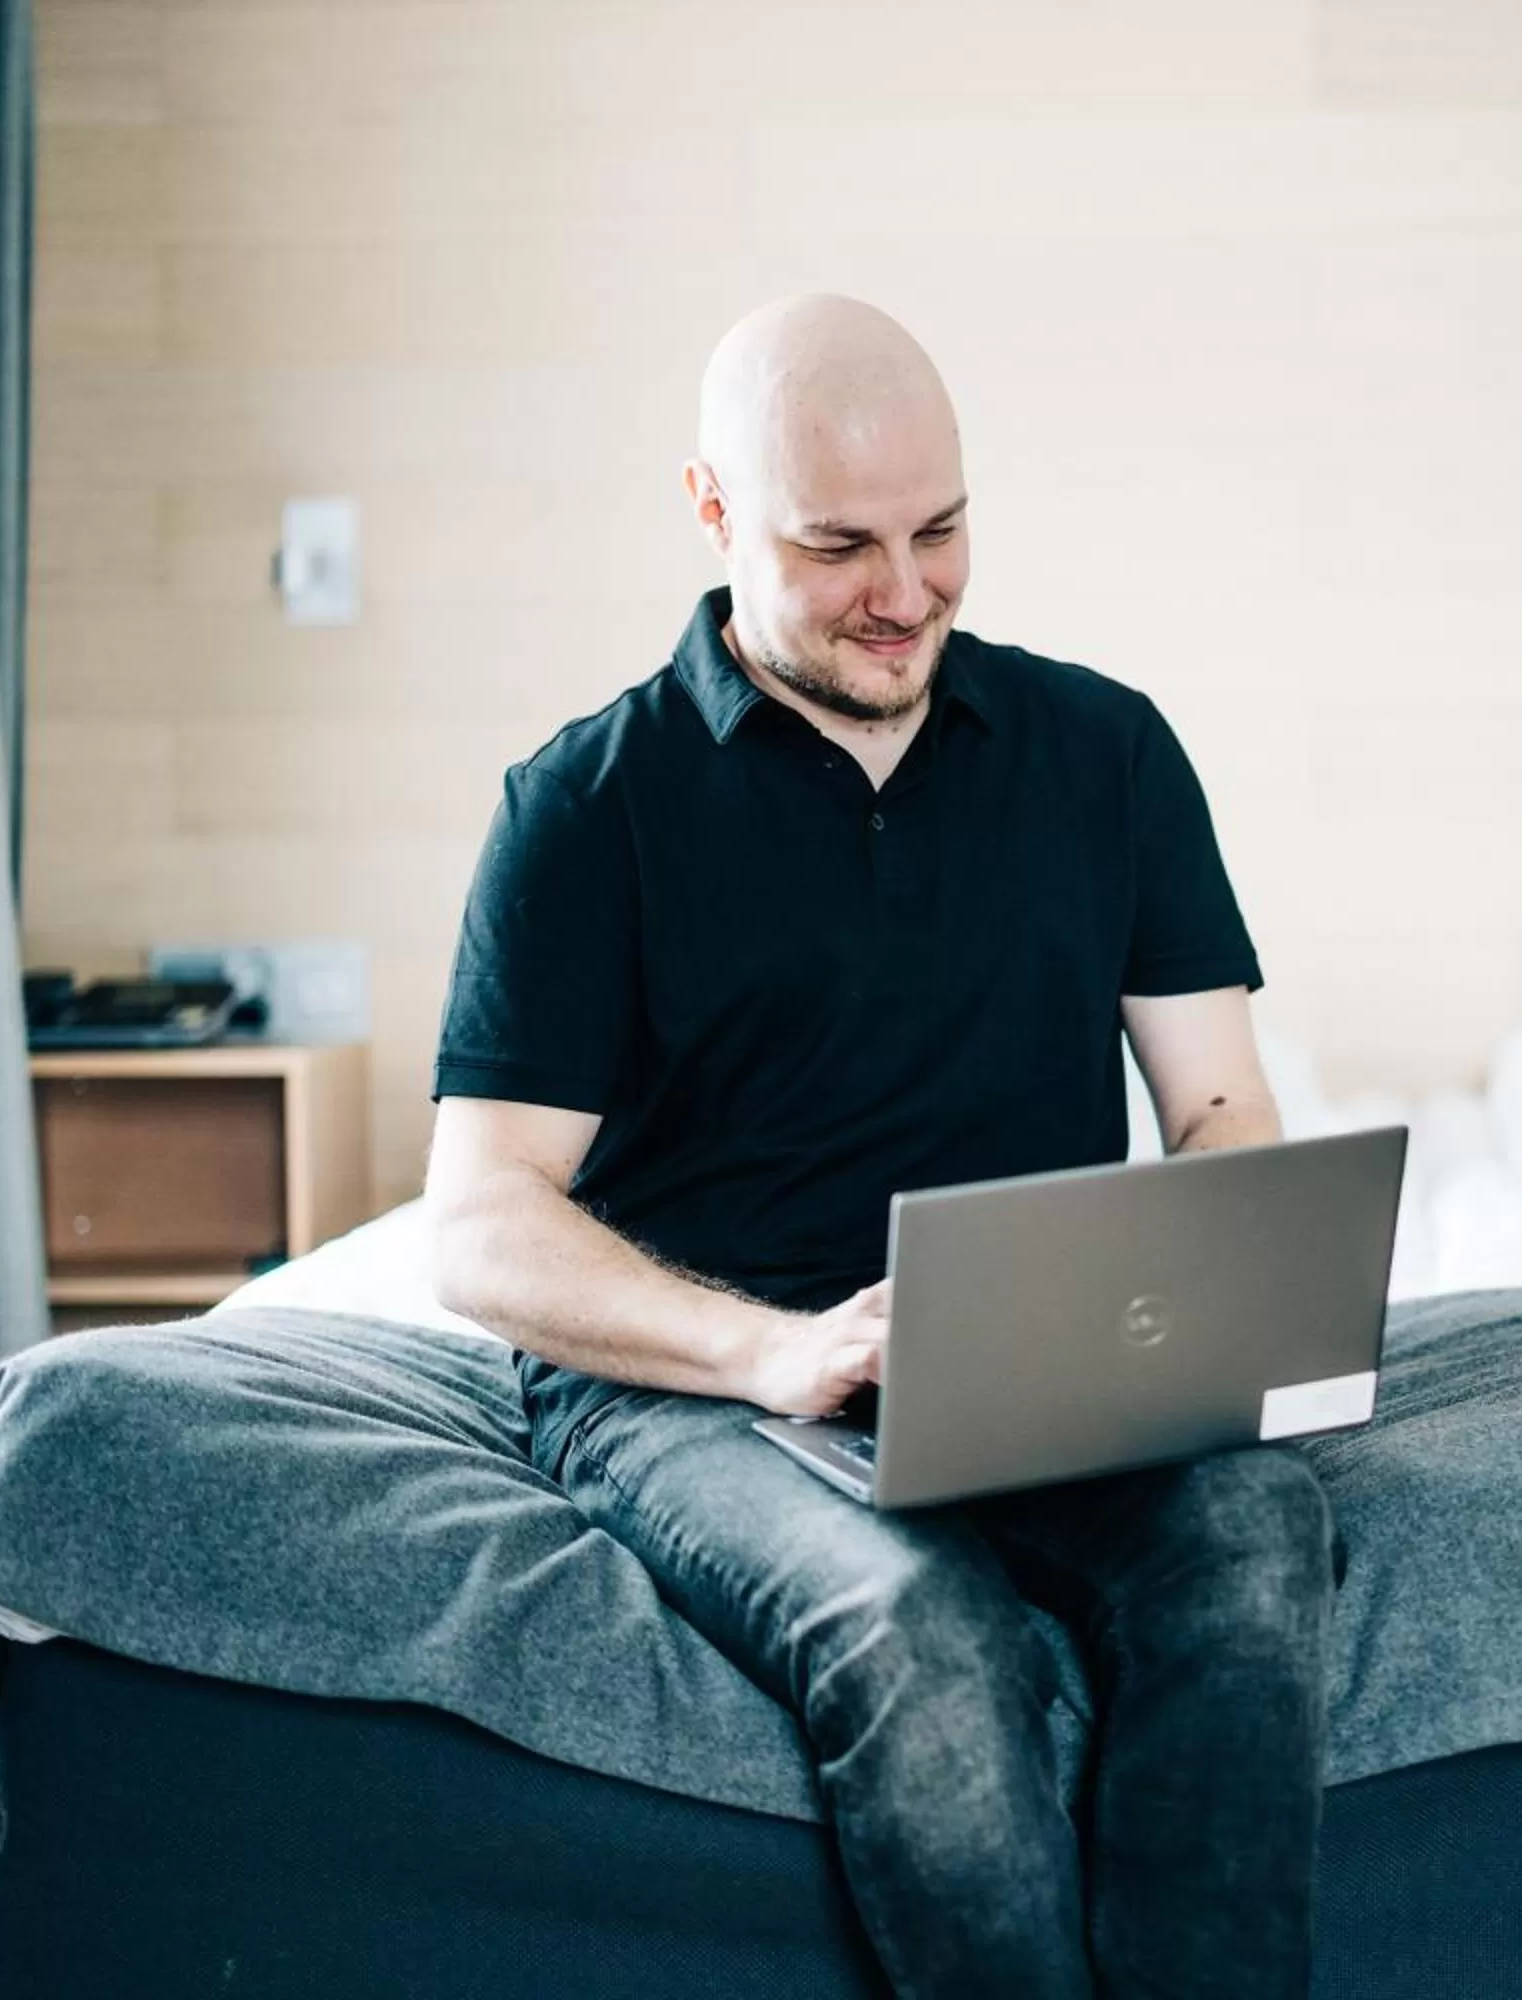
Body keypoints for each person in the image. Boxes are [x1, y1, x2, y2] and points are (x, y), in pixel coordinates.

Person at [421, 295, 1335, 1998]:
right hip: (693, 1383)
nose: (903, 593)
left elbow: (1217, 1102)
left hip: (1039, 1354)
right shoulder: (586, 807)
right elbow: (479, 1224)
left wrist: (1212, 1296)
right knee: (926, 1632)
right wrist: (772, 1349)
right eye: (838, 545)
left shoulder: (1106, 753)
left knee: (1258, 1536)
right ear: (712, 512)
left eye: (941, 531)